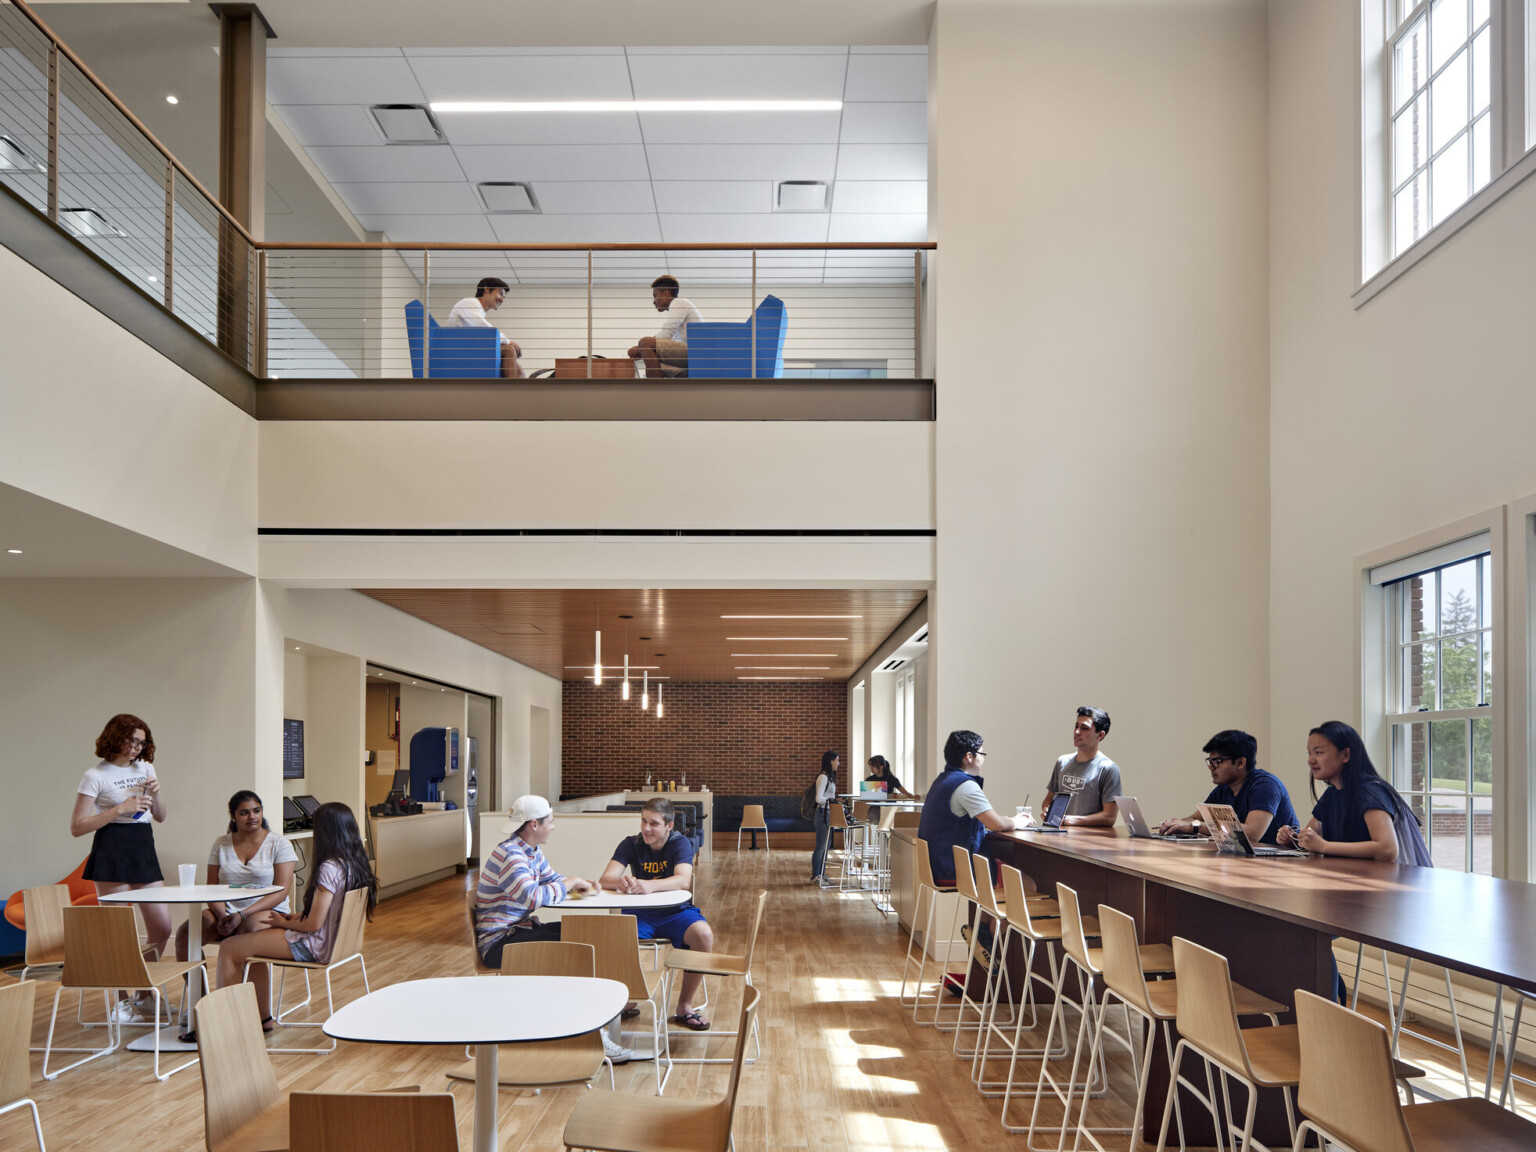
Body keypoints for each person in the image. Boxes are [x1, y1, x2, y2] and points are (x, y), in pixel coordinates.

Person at [214, 802, 377, 1034]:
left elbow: (313, 924)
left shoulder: (329, 868)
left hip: (315, 946)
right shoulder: (355, 865)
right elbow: (330, 911)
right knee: (252, 936)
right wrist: (295, 917)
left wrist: (283, 922)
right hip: (338, 945)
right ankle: (261, 1019)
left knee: (230, 947)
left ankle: (222, 1023)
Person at [71, 713, 170, 1023]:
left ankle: (142, 992)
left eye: (142, 742)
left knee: (162, 926)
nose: (137, 748)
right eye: (132, 741)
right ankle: (120, 1002)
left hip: (143, 843)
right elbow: (77, 827)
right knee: (115, 930)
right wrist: (118, 809)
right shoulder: (95, 775)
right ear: (116, 738)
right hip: (112, 845)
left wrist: (155, 793)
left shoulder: (146, 768)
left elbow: (162, 815)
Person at [598, 797, 715, 1031]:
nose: (646, 828)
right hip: (640, 913)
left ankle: (684, 1006)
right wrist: (623, 881)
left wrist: (650, 884)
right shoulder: (630, 843)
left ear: (669, 826)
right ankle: (627, 998)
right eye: (643, 821)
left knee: (704, 936)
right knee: (616, 935)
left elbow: (683, 880)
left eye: (653, 823)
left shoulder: (680, 843)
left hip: (676, 913)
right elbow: (605, 879)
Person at [1277, 721, 1430, 863]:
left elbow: (1387, 849)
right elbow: (1311, 835)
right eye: (1309, 753)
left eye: (1318, 753)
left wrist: (1324, 846)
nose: (1310, 760)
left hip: (1389, 887)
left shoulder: (1370, 792)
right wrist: (1293, 839)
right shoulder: (1331, 795)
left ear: (1345, 755)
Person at [175, 790, 297, 962]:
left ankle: (246, 989)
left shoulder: (280, 844)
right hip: (226, 912)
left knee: (247, 931)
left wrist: (242, 915)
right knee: (185, 934)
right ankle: (201, 989)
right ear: (233, 816)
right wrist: (222, 915)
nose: (252, 816)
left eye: (256, 810)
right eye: (244, 813)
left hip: (268, 911)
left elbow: (280, 893)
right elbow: (211, 888)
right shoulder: (221, 844)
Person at [472, 795, 595, 963]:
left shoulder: (531, 852)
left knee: (585, 932)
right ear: (534, 824)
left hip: (519, 931)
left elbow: (552, 879)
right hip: (499, 943)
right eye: (550, 822)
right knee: (579, 943)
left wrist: (580, 885)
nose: (553, 827)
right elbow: (532, 897)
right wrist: (571, 882)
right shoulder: (511, 854)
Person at [1158, 730, 1298, 845]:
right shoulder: (1224, 788)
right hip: (1245, 861)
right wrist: (1175, 825)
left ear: (1240, 763)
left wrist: (1193, 827)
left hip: (1278, 864)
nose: (1211, 767)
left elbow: (1251, 833)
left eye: (1217, 761)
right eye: (1210, 761)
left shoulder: (1265, 785)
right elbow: (1196, 818)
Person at [917, 729, 1018, 886]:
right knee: (1031, 883)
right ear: (969, 757)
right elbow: (996, 824)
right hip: (957, 869)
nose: (983, 760)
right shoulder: (965, 785)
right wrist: (1017, 821)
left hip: (938, 866)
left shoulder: (941, 781)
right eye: (982, 755)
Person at [1040, 706, 1122, 828]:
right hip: (1056, 834)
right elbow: (1049, 798)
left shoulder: (1108, 768)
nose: (1077, 732)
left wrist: (1071, 820)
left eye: (1084, 728)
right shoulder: (1062, 762)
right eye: (1076, 726)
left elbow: (1109, 817)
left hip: (1088, 840)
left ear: (1100, 735)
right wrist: (1047, 810)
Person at [445, 276, 524, 378]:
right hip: (457, 351)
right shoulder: (469, 303)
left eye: (503, 297)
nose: (502, 299)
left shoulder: (478, 311)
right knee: (509, 350)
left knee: (518, 369)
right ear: (486, 289)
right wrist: (508, 341)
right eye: (500, 293)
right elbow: (483, 328)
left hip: (470, 348)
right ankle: (513, 392)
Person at [627, 275, 702, 378]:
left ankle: (656, 390)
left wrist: (641, 347)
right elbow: (668, 341)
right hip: (691, 354)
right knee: (655, 366)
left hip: (694, 352)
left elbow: (667, 332)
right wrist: (644, 352)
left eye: (655, 295)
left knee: (645, 342)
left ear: (666, 293)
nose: (654, 301)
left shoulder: (678, 302)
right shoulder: (679, 309)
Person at [810, 751, 840, 884]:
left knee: (826, 846)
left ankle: (821, 874)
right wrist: (832, 800)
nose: (838, 763)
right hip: (822, 814)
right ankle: (816, 875)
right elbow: (819, 798)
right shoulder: (823, 777)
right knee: (821, 847)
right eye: (837, 760)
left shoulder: (829, 777)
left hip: (827, 813)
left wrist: (834, 800)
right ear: (831, 761)